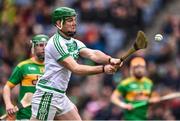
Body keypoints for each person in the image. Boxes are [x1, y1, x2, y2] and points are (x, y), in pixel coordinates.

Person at [30, 7, 122, 120]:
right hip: (47, 95)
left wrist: (110, 59)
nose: (74, 23)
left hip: (60, 95)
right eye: (69, 20)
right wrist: (103, 69)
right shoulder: (56, 43)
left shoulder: (73, 42)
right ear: (59, 23)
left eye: (74, 20)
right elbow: (75, 68)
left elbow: (92, 54)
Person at [3, 34, 49, 120]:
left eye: (46, 45)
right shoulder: (23, 66)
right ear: (33, 47)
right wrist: (8, 104)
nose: (44, 48)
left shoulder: (52, 67)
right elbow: (7, 87)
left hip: (45, 116)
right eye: (41, 45)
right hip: (25, 117)